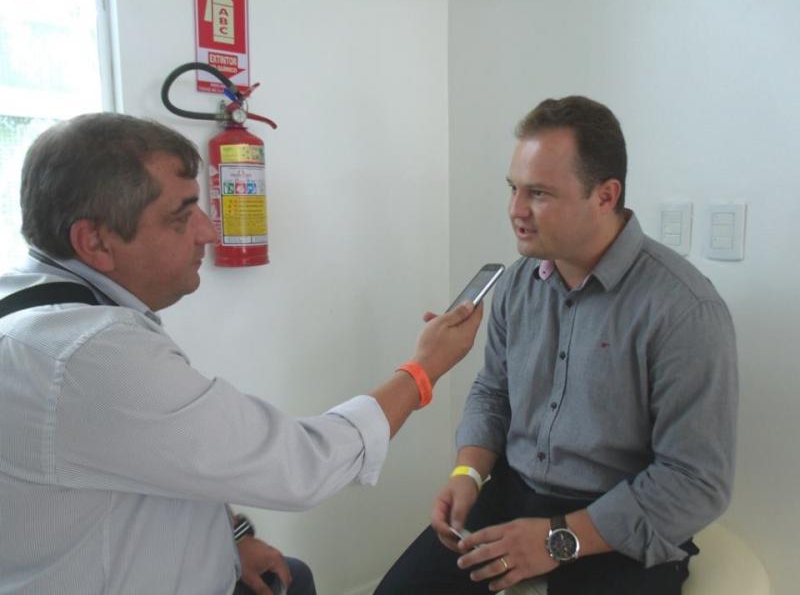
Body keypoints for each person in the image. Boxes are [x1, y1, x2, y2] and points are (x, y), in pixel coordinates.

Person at [0, 113, 483, 595]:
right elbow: (302, 467)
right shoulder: (89, 356)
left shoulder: (33, 305)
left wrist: (231, 537)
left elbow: (160, 450)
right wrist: (424, 369)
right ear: (95, 241)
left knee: (294, 577)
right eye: (181, 215)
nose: (208, 232)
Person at [374, 96, 738, 594]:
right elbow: (493, 391)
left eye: (539, 194)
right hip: (512, 495)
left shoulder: (684, 310)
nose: (515, 210)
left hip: (618, 521)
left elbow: (696, 481)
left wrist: (555, 540)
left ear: (605, 196)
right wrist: (468, 473)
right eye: (513, 189)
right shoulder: (517, 284)